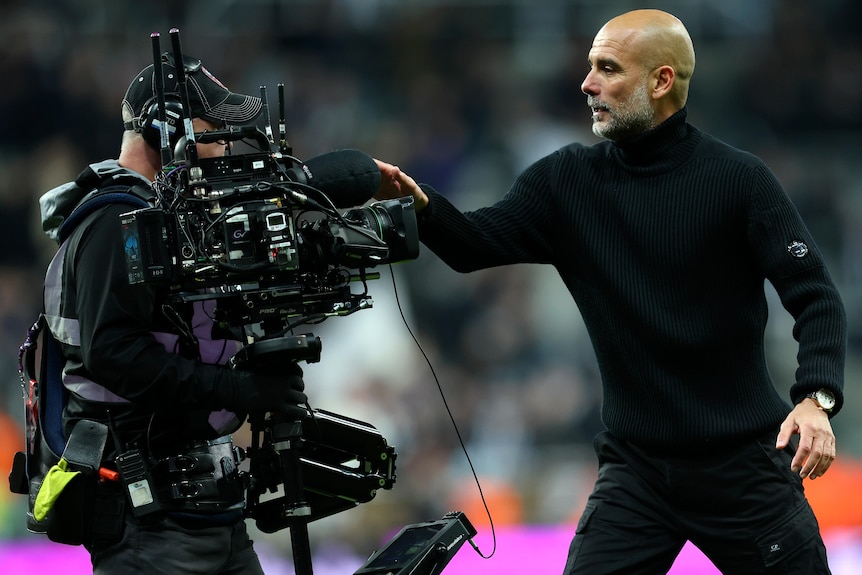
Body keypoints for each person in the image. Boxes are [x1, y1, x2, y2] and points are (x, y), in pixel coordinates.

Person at [374, 9, 846, 575]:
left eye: (607, 68)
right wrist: (419, 203)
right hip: (638, 471)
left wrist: (817, 398)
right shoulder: (567, 181)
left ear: (661, 81)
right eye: (589, 66)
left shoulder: (738, 181)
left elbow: (815, 294)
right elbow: (473, 244)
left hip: (742, 467)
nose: (586, 83)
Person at [36, 51, 308, 574]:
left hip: (207, 511)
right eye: (216, 131)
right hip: (150, 520)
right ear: (166, 130)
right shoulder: (117, 220)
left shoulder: (169, 217)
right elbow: (114, 354)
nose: (228, 147)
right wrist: (235, 389)